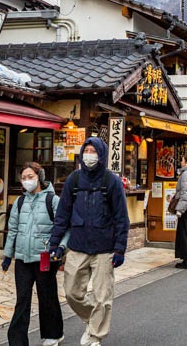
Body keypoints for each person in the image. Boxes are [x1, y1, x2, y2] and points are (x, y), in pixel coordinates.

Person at [49, 137, 129, 346]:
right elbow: (62, 214)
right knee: (71, 292)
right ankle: (94, 319)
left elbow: (122, 217)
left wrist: (120, 248)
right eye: (87, 150)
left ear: (101, 154)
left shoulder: (111, 181)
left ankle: (95, 335)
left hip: (105, 248)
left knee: (103, 296)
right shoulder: (74, 180)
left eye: (94, 150)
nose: (89, 154)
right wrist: (55, 243)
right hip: (78, 245)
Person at [2, 162, 68, 346]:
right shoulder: (19, 201)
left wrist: (61, 248)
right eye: (23, 178)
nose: (27, 181)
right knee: (22, 299)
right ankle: (17, 341)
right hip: (23, 258)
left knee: (47, 296)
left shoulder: (52, 200)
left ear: (40, 177)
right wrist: (8, 255)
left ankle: (54, 334)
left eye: (30, 177)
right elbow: (13, 229)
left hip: (45, 257)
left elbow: (64, 227)